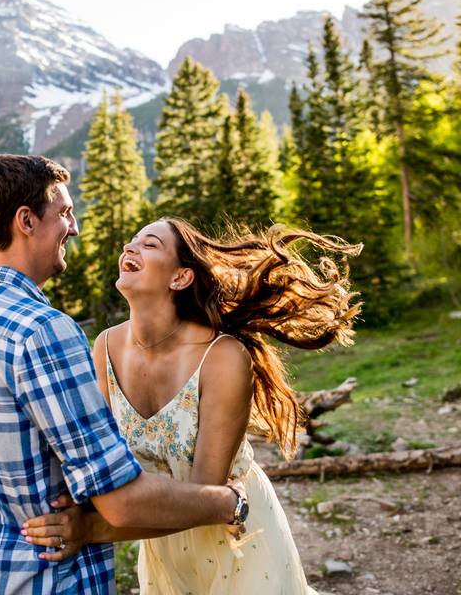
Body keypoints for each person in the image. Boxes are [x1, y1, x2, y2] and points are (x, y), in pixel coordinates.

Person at [0, 156, 247, 595]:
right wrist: (234, 503)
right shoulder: (43, 331)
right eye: (63, 212)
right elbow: (120, 502)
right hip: (47, 581)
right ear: (26, 220)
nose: (73, 227)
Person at [23, 217, 361, 593]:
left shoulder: (223, 357)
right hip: (162, 544)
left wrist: (92, 528)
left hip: (237, 538)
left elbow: (206, 496)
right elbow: (104, 462)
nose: (129, 248)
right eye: (131, 242)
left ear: (180, 278)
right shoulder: (104, 347)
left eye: (149, 245)